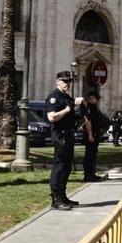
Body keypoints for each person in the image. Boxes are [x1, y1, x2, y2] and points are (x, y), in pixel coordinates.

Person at [45, 71, 85, 210]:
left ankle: (62, 195)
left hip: (69, 135)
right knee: (59, 166)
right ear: (58, 81)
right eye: (64, 81)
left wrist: (79, 107)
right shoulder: (54, 97)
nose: (67, 84)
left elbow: (77, 118)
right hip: (60, 136)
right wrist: (67, 110)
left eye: (69, 82)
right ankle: (55, 199)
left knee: (67, 167)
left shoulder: (66, 97)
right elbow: (51, 117)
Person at [81, 91, 108, 182]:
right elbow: (88, 122)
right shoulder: (89, 108)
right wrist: (90, 135)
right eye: (95, 99)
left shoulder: (94, 108)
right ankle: (88, 175)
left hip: (95, 134)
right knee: (89, 156)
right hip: (91, 134)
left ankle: (92, 174)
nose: (97, 101)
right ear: (92, 98)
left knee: (93, 156)